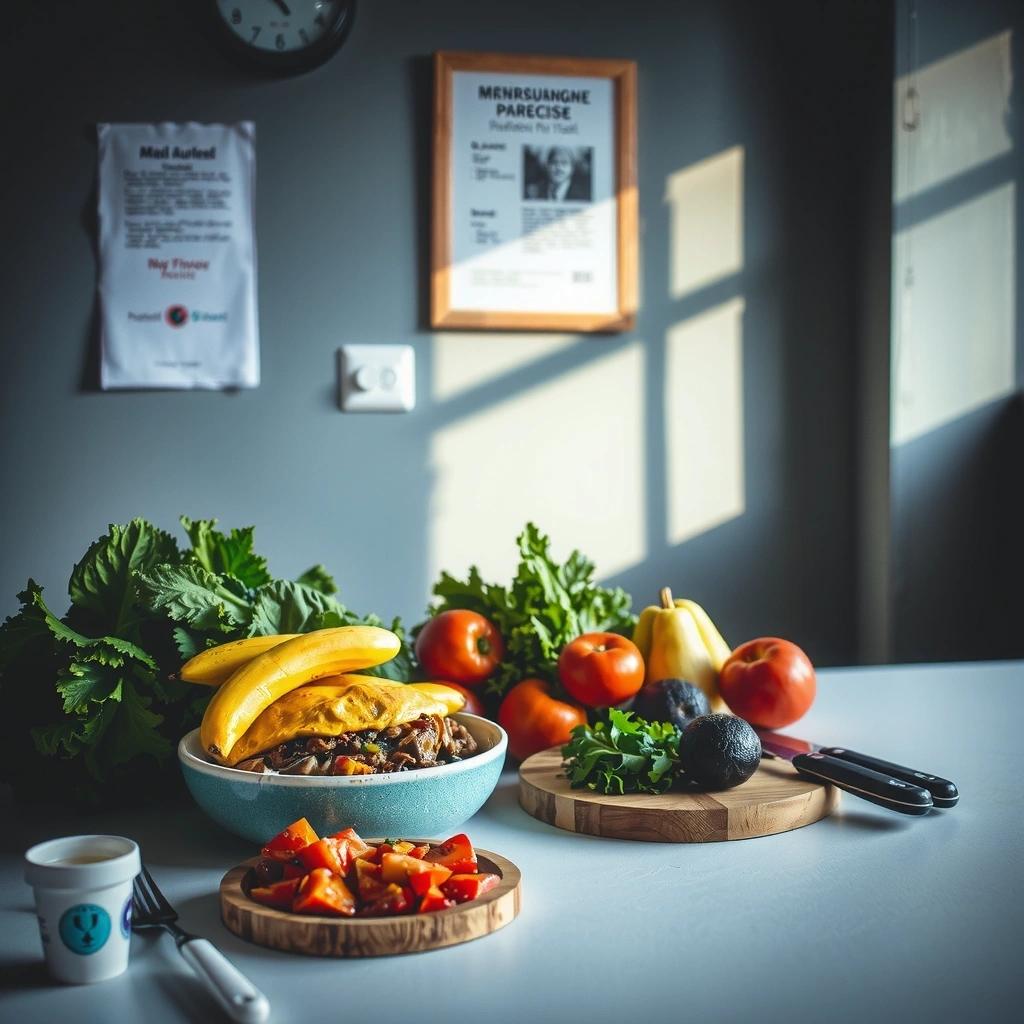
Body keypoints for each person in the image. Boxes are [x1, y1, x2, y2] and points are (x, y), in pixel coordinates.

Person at [525, 147, 591, 201]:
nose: (559, 167)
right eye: (554, 162)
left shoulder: (583, 195)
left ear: (572, 168)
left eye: (564, 163)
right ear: (547, 166)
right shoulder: (533, 192)